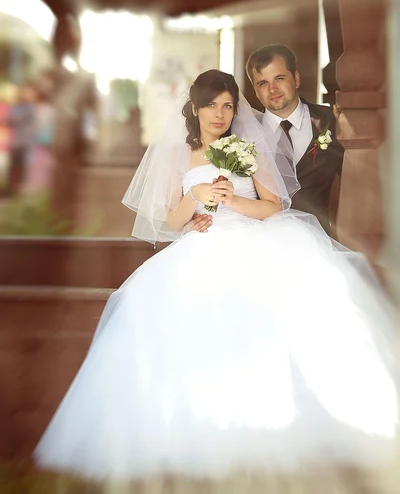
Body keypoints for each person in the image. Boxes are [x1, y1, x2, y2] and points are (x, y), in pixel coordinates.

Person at [34, 70, 397, 485]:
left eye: (228, 105)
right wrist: (195, 200)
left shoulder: (247, 149)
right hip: (200, 245)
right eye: (211, 105)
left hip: (255, 237)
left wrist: (234, 202)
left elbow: (274, 206)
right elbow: (170, 219)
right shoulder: (179, 156)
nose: (220, 114)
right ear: (194, 108)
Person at [245, 44, 344, 235]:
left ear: (296, 79)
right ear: (255, 90)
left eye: (279, 78)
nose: (272, 89)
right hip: (262, 243)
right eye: (262, 83)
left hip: (319, 242)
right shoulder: (243, 135)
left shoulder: (331, 120)